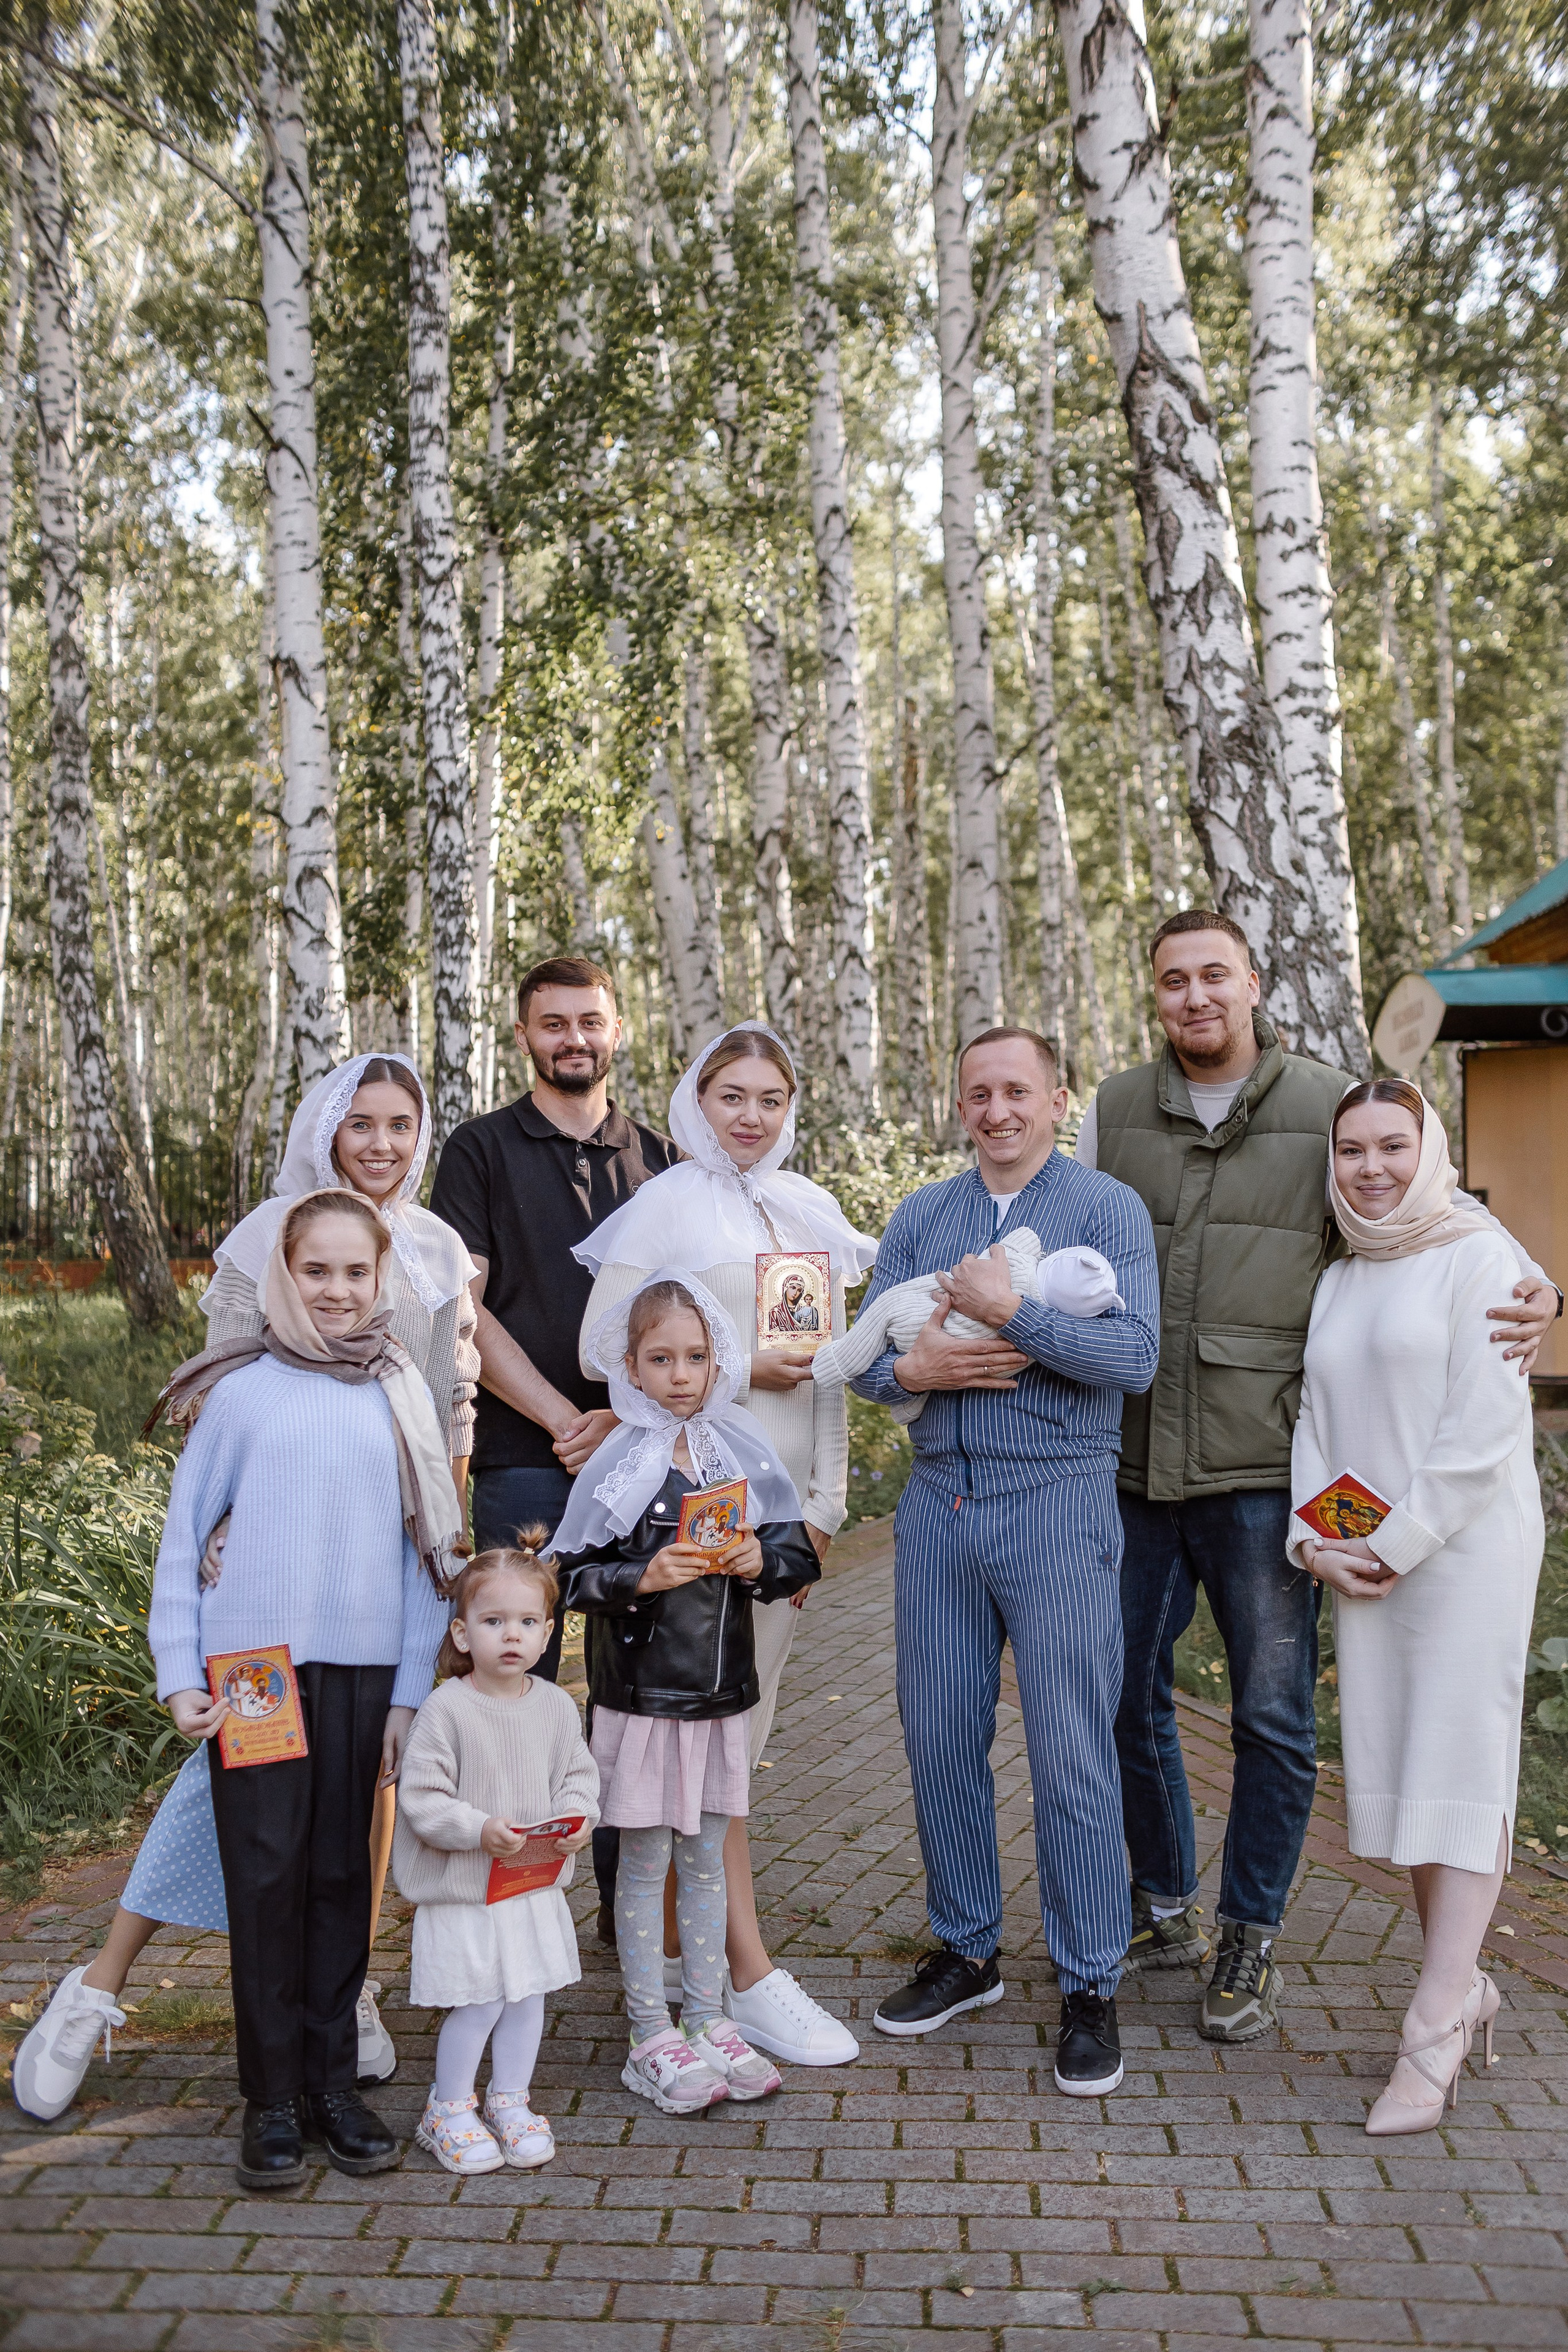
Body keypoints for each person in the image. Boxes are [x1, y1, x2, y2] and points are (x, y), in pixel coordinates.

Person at [1080, 911, 1558, 2043]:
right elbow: (1075, 1245)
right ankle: (1163, 1907)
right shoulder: (1112, 1111)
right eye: (1172, 981)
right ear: (1156, 996)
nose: (1195, 996)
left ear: (1252, 982)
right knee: (1124, 1698)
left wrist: (1538, 1283)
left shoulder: (1328, 1107)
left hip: (1260, 1468)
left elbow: (1421, 1210)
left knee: (1276, 1719)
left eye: (1214, 976)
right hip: (1142, 1463)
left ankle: (1250, 1938)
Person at [14, 1052, 477, 2122]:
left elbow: (442, 1414)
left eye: (402, 1124)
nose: (381, 1142)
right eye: (360, 1121)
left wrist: (444, 1570)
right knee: (258, 1847)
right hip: (262, 1629)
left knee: (338, 1846)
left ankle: (334, 2031)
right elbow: (215, 1449)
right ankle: (136, 2008)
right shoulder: (260, 1288)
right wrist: (212, 1584)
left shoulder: (432, 1256)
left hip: (379, 1590)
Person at [849, 1028, 1159, 2096]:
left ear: (1056, 1096)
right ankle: (968, 1950)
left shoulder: (1103, 1209)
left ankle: (1089, 1983)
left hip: (1058, 1498)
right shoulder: (922, 1215)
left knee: (1072, 1747)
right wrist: (912, 1369)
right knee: (939, 1731)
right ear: (962, 1106)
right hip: (939, 1503)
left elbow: (1133, 1355)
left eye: (1017, 1090)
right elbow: (868, 1361)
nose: (997, 1110)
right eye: (978, 1093)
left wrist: (1009, 1311)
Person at [574, 1020, 876, 2066]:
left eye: (771, 1098)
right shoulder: (663, 1205)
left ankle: (687, 1964)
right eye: (730, 1095)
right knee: (706, 1744)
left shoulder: (810, 1211)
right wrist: (743, 1372)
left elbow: (830, 1374)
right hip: (688, 1504)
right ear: (693, 1100)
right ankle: (745, 1974)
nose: (751, 1116)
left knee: (742, 1737)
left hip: (775, 1518)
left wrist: (826, 1506)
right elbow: (602, 1346)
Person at [143, 1193, 456, 2189]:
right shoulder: (242, 1392)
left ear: (381, 1280)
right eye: (316, 1271)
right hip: (255, 1677)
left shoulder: (399, 1391)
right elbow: (186, 1540)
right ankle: (271, 2096)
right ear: (285, 1273)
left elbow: (426, 1560)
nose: (337, 1290)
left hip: (365, 1667)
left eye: (355, 1272)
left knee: (338, 1876)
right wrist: (178, 1675)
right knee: (268, 1877)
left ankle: (334, 2086)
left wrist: (410, 1694)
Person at [1289, 1081, 1542, 2134]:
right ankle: (1465, 1983)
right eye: (1352, 1149)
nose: (1373, 1167)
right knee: (1409, 1769)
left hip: (1464, 1554)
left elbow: (1484, 1431)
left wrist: (1393, 1546)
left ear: (1431, 1149)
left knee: (1462, 1760)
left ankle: (1436, 2020)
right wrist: (1314, 1540)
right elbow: (1313, 1412)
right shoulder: (1346, 1272)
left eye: (1395, 1145)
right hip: (1363, 1558)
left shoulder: (1481, 1255)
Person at [554, 1273, 820, 2113]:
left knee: (707, 1857)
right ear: (629, 1368)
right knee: (644, 1864)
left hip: (717, 1700)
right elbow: (568, 1577)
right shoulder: (616, 1463)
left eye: (695, 1358)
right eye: (660, 1359)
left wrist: (760, 1561)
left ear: (717, 1363)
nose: (678, 1375)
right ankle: (648, 2035)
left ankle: (707, 2020)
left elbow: (798, 1557)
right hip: (639, 1700)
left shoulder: (740, 1449)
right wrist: (641, 1575)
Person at [428, 957, 678, 1678]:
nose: (574, 1038)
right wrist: (568, 1423)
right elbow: (464, 1306)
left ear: (617, 1031)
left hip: (641, 1454)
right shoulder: (479, 1149)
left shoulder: (664, 1163)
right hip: (523, 1463)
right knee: (510, 1671)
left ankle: (607, 1799)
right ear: (523, 1036)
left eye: (590, 1022)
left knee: (639, 1678)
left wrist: (621, 1422)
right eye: (554, 1024)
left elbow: (681, 1327)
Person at [394, 1542, 599, 2175]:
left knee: (526, 1997)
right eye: (493, 1622)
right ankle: (449, 2107)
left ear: (547, 1631)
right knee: (478, 2000)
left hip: (529, 1888)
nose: (512, 1635)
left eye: (528, 1622)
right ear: (462, 1631)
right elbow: (421, 1798)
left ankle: (510, 2100)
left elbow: (577, 1775)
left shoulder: (556, 1705)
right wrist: (477, 1828)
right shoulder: (447, 1710)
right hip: (467, 1890)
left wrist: (578, 1821)